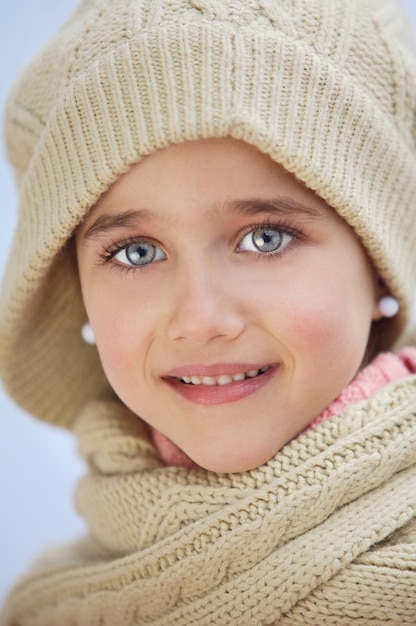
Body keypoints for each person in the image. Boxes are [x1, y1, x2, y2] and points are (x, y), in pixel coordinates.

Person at [1, 0, 416, 623]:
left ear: (381, 259)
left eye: (266, 238)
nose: (200, 317)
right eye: (136, 252)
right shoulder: (56, 600)